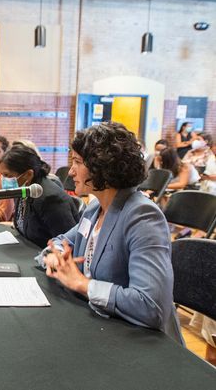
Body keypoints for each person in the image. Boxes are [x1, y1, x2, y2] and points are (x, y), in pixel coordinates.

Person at [39, 122, 182, 343]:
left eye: (77, 162)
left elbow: (150, 306)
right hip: (108, 330)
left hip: (145, 345)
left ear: (102, 166)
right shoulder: (95, 209)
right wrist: (56, 257)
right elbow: (60, 242)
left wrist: (83, 285)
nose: (72, 171)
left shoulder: (142, 216)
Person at [1, 145, 79, 247]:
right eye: (3, 175)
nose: (4, 179)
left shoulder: (50, 199)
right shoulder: (23, 188)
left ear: (28, 174)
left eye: (8, 175)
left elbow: (67, 243)